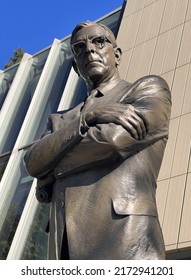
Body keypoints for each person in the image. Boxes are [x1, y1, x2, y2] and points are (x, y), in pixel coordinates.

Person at [24, 21, 171, 260]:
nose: (89, 50)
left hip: (125, 240)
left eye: (99, 41)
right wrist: (88, 117)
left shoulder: (147, 90)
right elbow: (32, 162)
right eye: (79, 48)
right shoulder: (60, 120)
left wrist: (51, 166)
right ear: (75, 66)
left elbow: (112, 141)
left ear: (117, 54)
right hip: (64, 250)